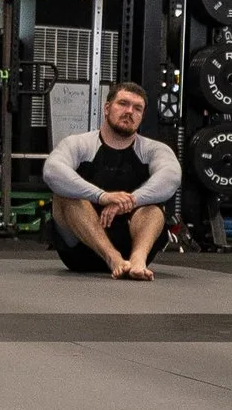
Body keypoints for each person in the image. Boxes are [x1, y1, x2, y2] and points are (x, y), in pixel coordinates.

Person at [43, 80, 179, 277]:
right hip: (80, 249)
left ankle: (138, 260)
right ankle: (111, 257)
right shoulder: (78, 143)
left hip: (132, 246)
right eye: (123, 104)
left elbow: (171, 179)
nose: (130, 111)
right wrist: (102, 196)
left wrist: (130, 201)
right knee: (64, 196)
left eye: (137, 108)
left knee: (154, 208)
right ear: (107, 108)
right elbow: (52, 172)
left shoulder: (154, 150)